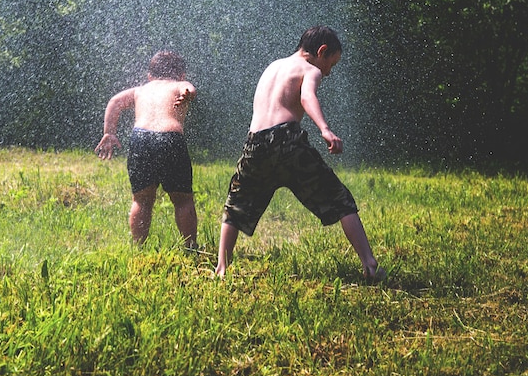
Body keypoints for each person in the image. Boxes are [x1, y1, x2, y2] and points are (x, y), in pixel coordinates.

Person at [215, 26, 385, 282]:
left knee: (236, 205)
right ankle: (370, 265)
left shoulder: (273, 66)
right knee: (340, 200)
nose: (328, 72)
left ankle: (222, 269)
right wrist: (325, 130)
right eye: (331, 64)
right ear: (321, 51)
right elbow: (307, 97)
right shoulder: (310, 70)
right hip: (287, 141)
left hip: (255, 144)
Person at [95, 51, 198, 248]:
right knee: (182, 199)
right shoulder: (178, 85)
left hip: (140, 139)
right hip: (170, 139)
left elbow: (115, 102)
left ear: (150, 75)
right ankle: (190, 246)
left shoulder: (141, 89)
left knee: (141, 199)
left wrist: (109, 132)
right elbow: (190, 88)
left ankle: (138, 246)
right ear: (182, 74)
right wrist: (187, 95)